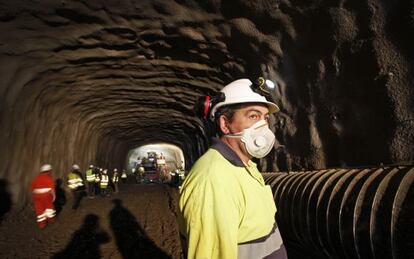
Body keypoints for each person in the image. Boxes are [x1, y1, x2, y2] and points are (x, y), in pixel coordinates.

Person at [178, 78, 287, 258]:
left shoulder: (245, 166)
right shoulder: (213, 181)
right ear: (225, 124)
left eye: (265, 117)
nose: (263, 125)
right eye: (253, 116)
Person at [30, 164, 56, 229]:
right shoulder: (49, 178)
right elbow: (52, 188)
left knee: (40, 210)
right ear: (48, 171)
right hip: (47, 196)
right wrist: (54, 196)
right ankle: (50, 220)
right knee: (49, 208)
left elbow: (32, 188)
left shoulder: (36, 178)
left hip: (37, 197)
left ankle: (42, 224)